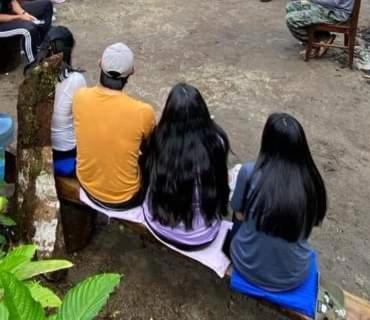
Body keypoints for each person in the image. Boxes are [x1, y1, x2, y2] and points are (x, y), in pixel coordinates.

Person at [227, 112, 327, 292]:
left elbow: (239, 214)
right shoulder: (312, 182)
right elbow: (311, 225)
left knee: (238, 213)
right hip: (293, 276)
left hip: (245, 265)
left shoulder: (249, 173)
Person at [141, 83, 230, 249]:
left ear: (168, 113)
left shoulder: (158, 138)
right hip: (202, 235)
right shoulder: (217, 141)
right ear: (203, 113)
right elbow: (220, 183)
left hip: (158, 225)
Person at [73, 43, 155, 208]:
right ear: (132, 71)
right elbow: (150, 147)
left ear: (99, 64)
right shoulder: (143, 111)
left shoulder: (80, 97)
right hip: (126, 198)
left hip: (86, 184)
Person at [32, 26, 87, 177]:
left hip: (40, 147)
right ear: (68, 51)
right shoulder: (76, 80)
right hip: (64, 152)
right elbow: (84, 118)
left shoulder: (33, 73)